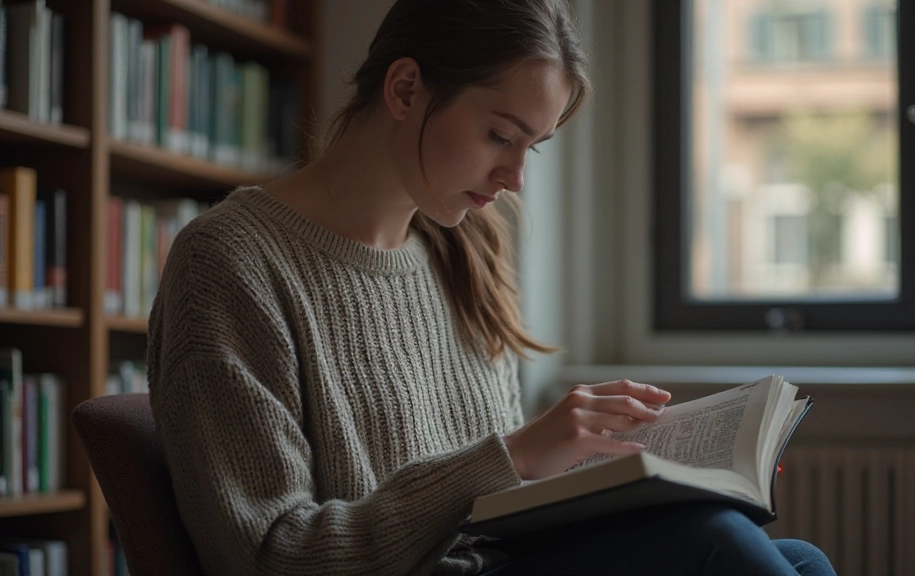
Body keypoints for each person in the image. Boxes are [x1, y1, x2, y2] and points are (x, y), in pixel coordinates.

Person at [147, 0, 837, 574]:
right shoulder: (231, 263)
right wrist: (510, 457)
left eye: (529, 147)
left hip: (502, 562)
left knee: (794, 558)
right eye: (499, 135)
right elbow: (270, 554)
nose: (514, 178)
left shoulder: (461, 243)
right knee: (724, 548)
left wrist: (625, 471)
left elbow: (498, 503)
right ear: (405, 89)